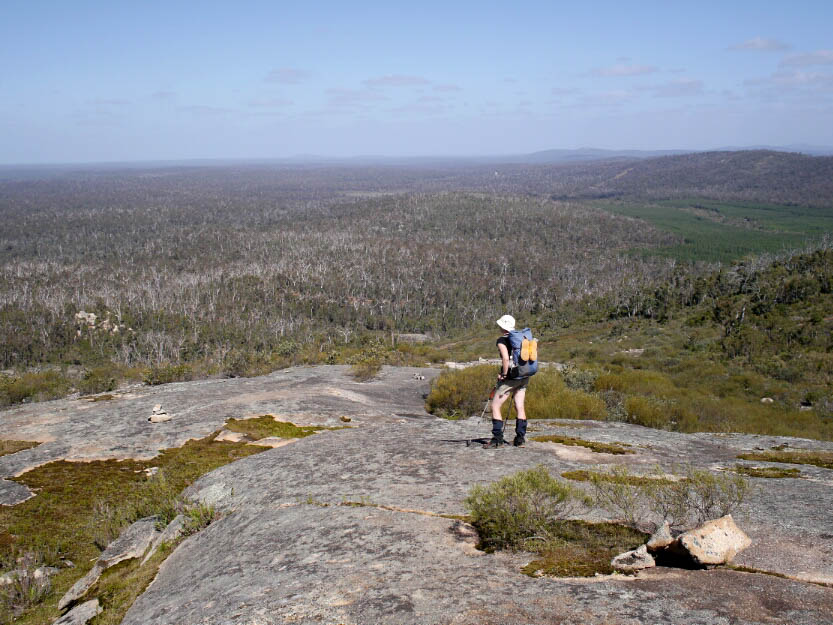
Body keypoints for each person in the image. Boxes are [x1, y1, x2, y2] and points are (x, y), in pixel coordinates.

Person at [485, 314, 528, 448]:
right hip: (524, 376)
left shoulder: (502, 340)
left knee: (495, 406)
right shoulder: (521, 337)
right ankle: (520, 439)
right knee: (519, 406)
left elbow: (505, 359)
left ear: (502, 327)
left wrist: (503, 374)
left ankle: (497, 439)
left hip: (510, 378)